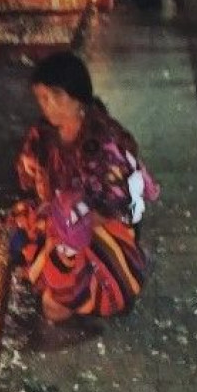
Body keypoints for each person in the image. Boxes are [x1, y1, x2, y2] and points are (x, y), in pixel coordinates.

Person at [11, 51, 159, 323]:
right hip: (58, 221)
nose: (48, 106)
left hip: (100, 231)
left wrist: (70, 221)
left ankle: (78, 285)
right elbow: (29, 179)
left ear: (76, 96)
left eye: (55, 97)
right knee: (22, 227)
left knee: (57, 300)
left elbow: (115, 207)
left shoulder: (103, 141)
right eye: (42, 99)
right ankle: (57, 277)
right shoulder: (43, 133)